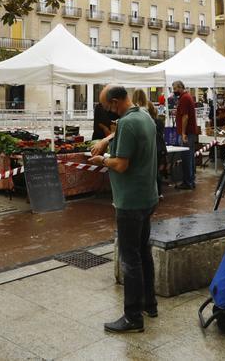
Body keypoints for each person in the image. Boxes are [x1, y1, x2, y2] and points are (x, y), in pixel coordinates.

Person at [88, 85, 158, 334]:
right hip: (147, 196)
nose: (108, 113)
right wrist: (108, 139)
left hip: (130, 200)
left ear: (117, 101)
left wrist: (102, 160)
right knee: (143, 251)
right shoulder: (144, 115)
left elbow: (121, 164)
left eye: (108, 107)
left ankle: (132, 317)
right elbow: (123, 134)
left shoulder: (128, 124)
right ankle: (150, 304)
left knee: (130, 259)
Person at [132, 89, 167, 195]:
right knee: (155, 171)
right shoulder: (158, 122)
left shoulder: (138, 114)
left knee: (149, 171)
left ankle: (149, 192)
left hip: (147, 147)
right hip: (158, 148)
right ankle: (158, 192)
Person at [172, 81, 199, 190]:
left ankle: (188, 182)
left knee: (186, 157)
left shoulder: (184, 98)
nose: (174, 91)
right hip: (190, 132)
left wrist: (183, 133)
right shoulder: (187, 97)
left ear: (180, 87)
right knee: (190, 157)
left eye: (174, 88)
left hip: (187, 133)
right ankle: (190, 180)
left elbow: (185, 117)